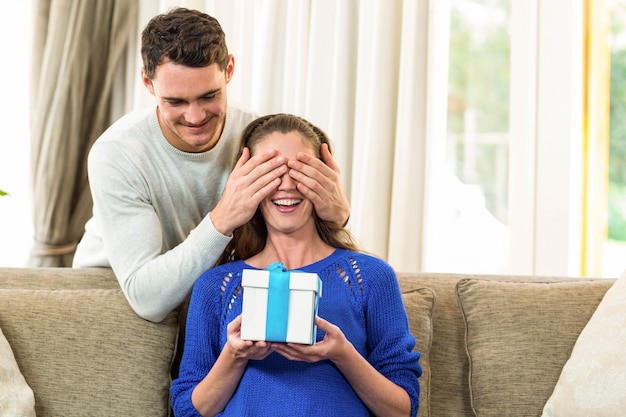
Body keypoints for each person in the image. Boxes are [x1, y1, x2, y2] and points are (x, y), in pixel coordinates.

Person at [72, 8, 350, 323]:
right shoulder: (117, 153)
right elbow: (148, 298)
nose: (195, 117)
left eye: (209, 96)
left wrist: (336, 217)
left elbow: (292, 240)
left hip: (207, 289)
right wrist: (221, 220)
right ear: (147, 83)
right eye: (175, 102)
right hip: (118, 290)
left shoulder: (255, 135)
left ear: (229, 69)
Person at [170, 114, 421, 417]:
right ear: (245, 182)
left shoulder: (369, 277)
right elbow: (188, 410)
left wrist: (343, 355)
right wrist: (234, 356)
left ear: (324, 178)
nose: (286, 185)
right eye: (270, 172)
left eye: (300, 171)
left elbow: (402, 410)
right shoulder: (217, 286)